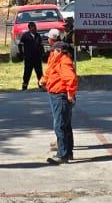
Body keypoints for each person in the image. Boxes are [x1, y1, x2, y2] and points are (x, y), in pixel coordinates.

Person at [44, 34, 78, 165]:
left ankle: (62, 154)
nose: (53, 52)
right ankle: (68, 152)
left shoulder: (64, 61)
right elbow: (50, 73)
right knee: (65, 125)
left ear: (60, 51)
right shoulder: (57, 60)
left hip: (61, 96)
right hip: (57, 95)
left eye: (55, 50)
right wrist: (44, 80)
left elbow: (70, 79)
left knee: (59, 125)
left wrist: (70, 94)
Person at [18, 23, 45, 90]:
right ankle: (25, 86)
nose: (34, 29)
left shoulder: (38, 35)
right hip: (28, 58)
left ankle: (41, 85)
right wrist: (22, 53)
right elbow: (20, 45)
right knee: (27, 73)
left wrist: (42, 53)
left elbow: (41, 46)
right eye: (33, 27)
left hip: (37, 58)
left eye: (35, 27)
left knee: (39, 73)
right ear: (29, 28)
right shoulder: (25, 35)